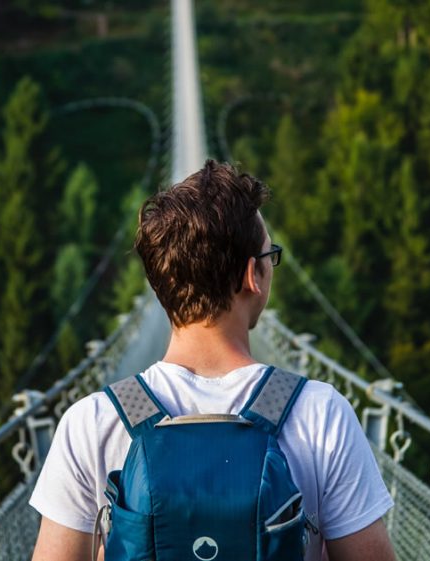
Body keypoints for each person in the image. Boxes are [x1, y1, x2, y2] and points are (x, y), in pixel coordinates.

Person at [29, 160, 396, 561]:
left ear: (159, 283)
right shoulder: (321, 414)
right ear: (251, 276)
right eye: (269, 255)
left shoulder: (92, 421)